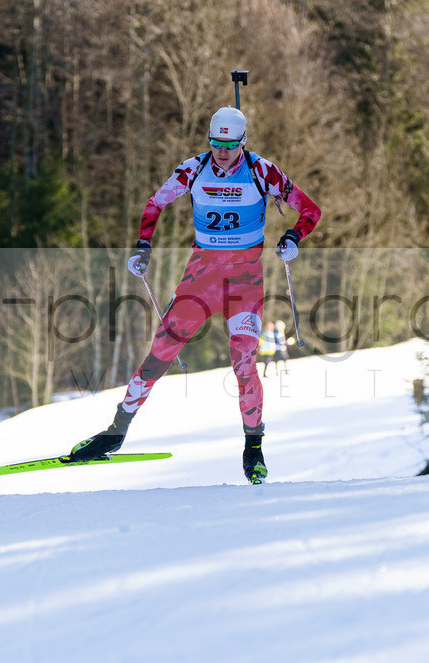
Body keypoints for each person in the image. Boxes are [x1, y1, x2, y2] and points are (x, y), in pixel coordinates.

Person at [66, 106, 320, 483]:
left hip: (244, 282)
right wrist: (143, 246)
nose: (221, 151)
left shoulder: (262, 171)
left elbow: (310, 210)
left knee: (244, 362)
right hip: (200, 277)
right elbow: (155, 203)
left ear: (242, 142)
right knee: (160, 353)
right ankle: (115, 432)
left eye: (229, 145)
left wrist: (292, 238)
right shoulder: (193, 168)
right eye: (216, 143)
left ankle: (254, 447)